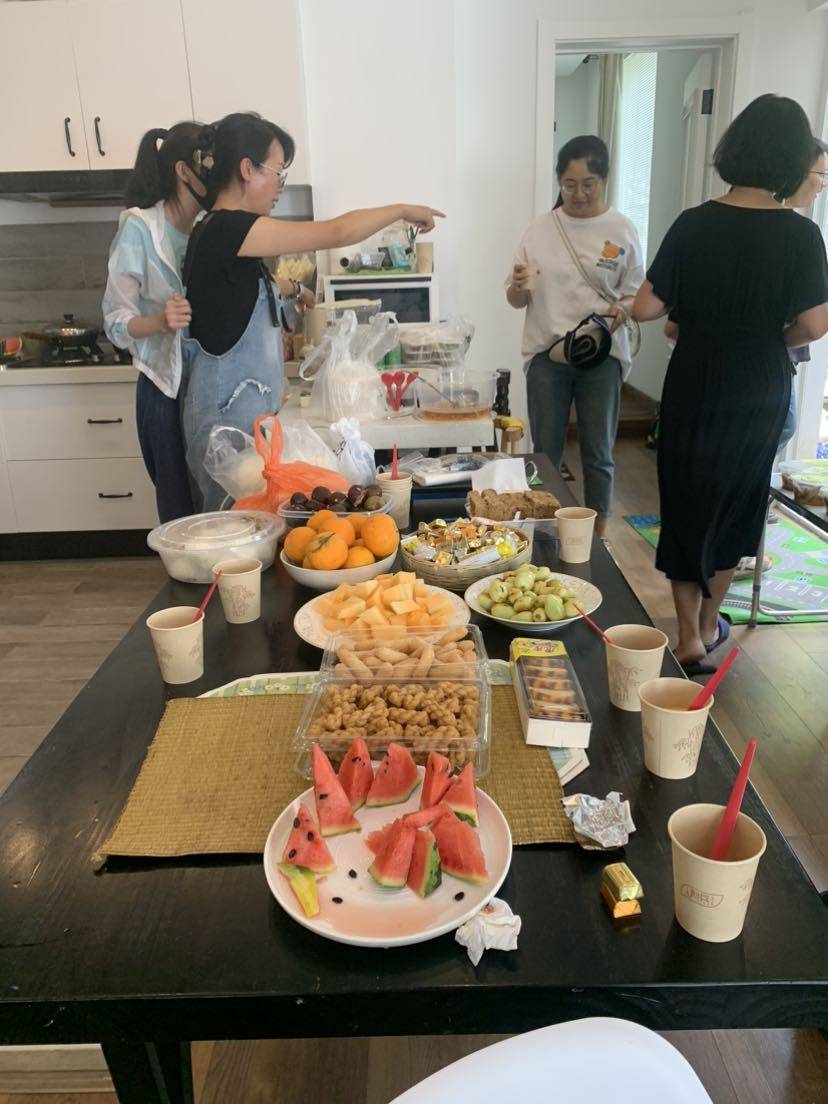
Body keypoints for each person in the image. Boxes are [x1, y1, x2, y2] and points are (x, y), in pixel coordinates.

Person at [632, 95, 828, 673]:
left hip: (697, 376)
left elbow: (646, 308)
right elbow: (815, 324)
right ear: (792, 160)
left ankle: (686, 635)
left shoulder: (693, 223)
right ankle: (709, 623)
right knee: (737, 500)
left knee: (687, 498)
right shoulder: (801, 235)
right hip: (761, 380)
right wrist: (771, 335)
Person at [181, 112, 444, 510]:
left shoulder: (219, 231)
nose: (279, 188)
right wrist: (402, 209)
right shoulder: (228, 229)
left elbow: (251, 287)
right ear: (247, 169)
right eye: (277, 173)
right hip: (227, 423)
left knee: (254, 526)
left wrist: (297, 289)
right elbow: (336, 232)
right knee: (237, 532)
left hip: (240, 414)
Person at [505, 135, 644, 537]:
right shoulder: (540, 230)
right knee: (544, 452)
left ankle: (598, 539)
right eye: (569, 185)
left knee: (598, 453)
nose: (578, 194)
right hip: (547, 355)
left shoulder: (621, 229)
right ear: (559, 182)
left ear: (605, 180)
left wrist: (622, 311)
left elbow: (635, 293)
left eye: (588, 184)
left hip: (602, 356)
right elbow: (515, 299)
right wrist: (518, 286)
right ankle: (544, 533)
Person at [103, 123, 209, 523]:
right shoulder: (139, 228)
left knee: (216, 504)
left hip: (206, 385)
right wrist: (162, 322)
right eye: (209, 166)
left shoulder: (209, 226)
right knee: (180, 511)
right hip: (163, 388)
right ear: (184, 171)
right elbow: (115, 322)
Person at [777, 137, 828, 456]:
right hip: (770, 357)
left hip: (768, 355)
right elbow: (815, 325)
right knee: (784, 424)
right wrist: (778, 341)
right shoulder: (800, 234)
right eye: (821, 174)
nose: (824, 184)